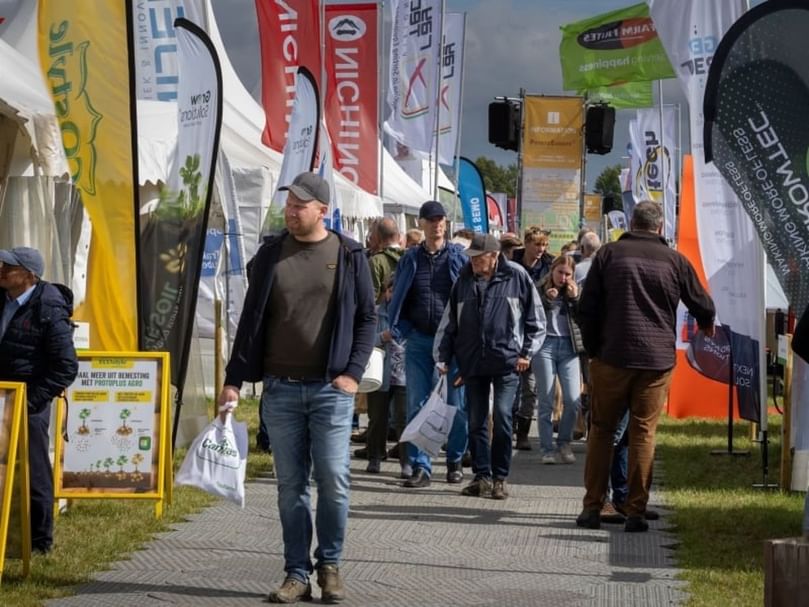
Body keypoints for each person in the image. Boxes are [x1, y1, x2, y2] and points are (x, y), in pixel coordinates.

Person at [218, 172, 376, 603]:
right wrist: (233, 380)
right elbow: (250, 320)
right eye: (289, 204)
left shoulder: (348, 254)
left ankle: (330, 565)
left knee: (334, 479)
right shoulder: (270, 253)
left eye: (300, 206)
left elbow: (367, 318)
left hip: (331, 391)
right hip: (281, 390)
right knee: (290, 487)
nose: (291, 211)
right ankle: (295, 572)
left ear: (322, 211)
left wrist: (352, 374)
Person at [576, 201, 715, 533]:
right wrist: (706, 323)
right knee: (643, 433)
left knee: (602, 431)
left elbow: (586, 309)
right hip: (655, 360)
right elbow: (704, 305)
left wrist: (595, 351)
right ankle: (636, 512)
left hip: (611, 357)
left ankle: (592, 508)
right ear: (659, 226)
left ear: (632, 223)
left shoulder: (607, 255)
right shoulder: (675, 260)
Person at [435, 233, 545, 499]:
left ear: (494, 256)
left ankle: (500, 478)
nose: (472, 261)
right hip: (472, 363)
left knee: (503, 417)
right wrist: (443, 356)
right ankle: (482, 477)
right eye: (470, 256)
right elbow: (450, 323)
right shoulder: (462, 281)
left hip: (507, 362)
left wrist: (526, 354)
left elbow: (536, 321)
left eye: (477, 256)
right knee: (476, 421)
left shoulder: (517, 276)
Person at [0, 246, 78, 555]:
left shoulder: (49, 307)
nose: (2, 270)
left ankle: (40, 542)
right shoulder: (3, 298)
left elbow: (66, 367)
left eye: (9, 267)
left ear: (29, 276)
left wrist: (30, 402)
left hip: (28, 401)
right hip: (2, 398)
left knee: (33, 470)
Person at [388, 200, 468, 488]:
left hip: (453, 343)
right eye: (431, 220)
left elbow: (467, 298)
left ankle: (455, 460)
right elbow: (400, 297)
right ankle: (421, 467)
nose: (437, 224)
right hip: (420, 340)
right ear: (421, 224)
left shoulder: (458, 258)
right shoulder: (410, 259)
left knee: (456, 406)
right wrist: (400, 328)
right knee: (416, 404)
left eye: (441, 219)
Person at [534, 255, 585, 464]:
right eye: (560, 273)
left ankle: (564, 442)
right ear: (552, 270)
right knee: (546, 401)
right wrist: (546, 300)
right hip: (545, 345)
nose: (563, 278)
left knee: (573, 400)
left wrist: (574, 299)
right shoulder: (539, 288)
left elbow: (584, 319)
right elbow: (530, 314)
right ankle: (547, 449)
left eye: (567, 274)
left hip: (569, 347)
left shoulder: (576, 291)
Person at [510, 226, 553, 448]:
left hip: (536, 329)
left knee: (531, 386)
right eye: (537, 244)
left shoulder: (549, 265)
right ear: (526, 243)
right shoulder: (510, 262)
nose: (541, 249)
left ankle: (524, 432)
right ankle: (507, 427)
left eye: (544, 245)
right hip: (512, 327)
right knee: (511, 383)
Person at [366, 278, 408, 476]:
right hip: (379, 373)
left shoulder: (412, 313)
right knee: (377, 418)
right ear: (386, 292)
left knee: (403, 419)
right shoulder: (375, 313)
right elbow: (364, 342)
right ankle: (375, 456)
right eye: (391, 290)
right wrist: (382, 337)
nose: (393, 294)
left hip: (404, 375)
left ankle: (406, 461)